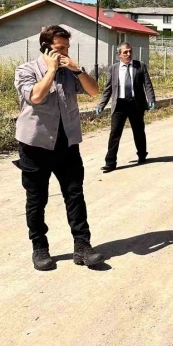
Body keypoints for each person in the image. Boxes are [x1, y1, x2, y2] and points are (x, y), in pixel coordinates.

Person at [13, 25, 105, 271]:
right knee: (37, 199)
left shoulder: (69, 73)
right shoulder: (26, 70)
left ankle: (83, 246)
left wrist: (77, 70)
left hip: (67, 144)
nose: (64, 52)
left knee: (75, 195)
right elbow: (35, 97)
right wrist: (51, 71)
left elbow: (94, 91)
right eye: (59, 48)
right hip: (35, 146)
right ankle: (40, 247)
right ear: (45, 47)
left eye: (66, 47)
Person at [97, 42, 156, 172]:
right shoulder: (113, 68)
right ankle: (110, 162)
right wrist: (101, 105)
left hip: (136, 104)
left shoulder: (140, 66)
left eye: (130, 51)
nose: (128, 54)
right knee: (115, 133)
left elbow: (148, 84)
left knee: (139, 131)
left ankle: (142, 155)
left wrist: (151, 99)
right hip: (120, 104)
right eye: (125, 52)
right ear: (119, 55)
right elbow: (108, 89)